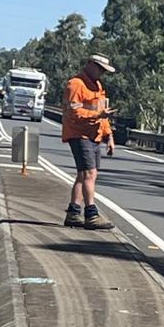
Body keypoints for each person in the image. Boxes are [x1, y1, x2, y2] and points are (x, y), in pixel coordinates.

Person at [62, 54, 117, 230]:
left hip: (95, 135)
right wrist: (98, 115)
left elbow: (103, 112)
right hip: (79, 134)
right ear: (90, 64)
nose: (101, 73)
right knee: (89, 173)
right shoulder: (76, 84)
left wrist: (109, 136)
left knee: (84, 174)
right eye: (99, 68)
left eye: (104, 70)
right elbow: (74, 113)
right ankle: (91, 214)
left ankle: (73, 212)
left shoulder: (98, 86)